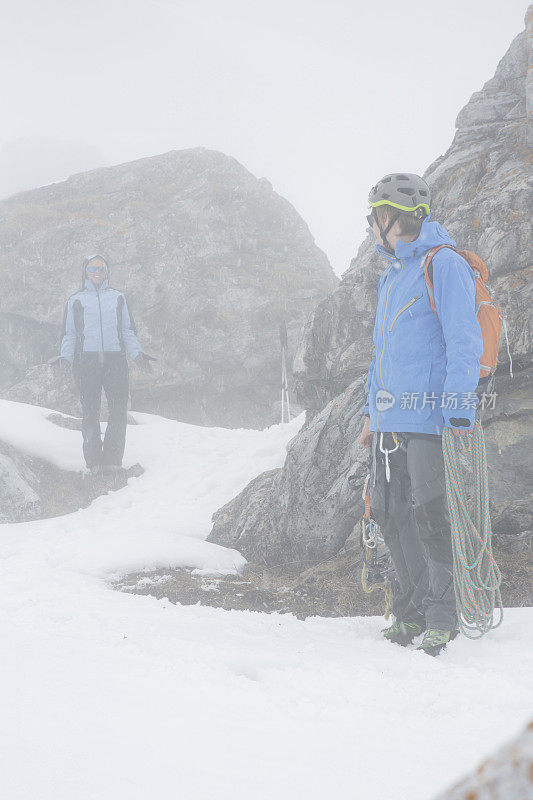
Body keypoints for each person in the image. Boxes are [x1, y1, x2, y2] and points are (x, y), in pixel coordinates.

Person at [359, 173, 483, 656]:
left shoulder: (443, 263)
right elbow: (380, 355)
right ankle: (409, 613)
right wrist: (372, 414)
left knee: (431, 515)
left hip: (430, 418)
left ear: (393, 217)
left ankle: (442, 616)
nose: (371, 225)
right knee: (390, 514)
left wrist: (457, 409)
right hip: (390, 419)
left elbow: (463, 339)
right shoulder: (392, 274)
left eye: (374, 216)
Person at [58, 254, 155, 472]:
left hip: (115, 360)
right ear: (85, 271)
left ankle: (112, 460)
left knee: (118, 410)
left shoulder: (119, 298)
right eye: (93, 269)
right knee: (90, 411)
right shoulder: (76, 299)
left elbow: (127, 331)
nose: (97, 273)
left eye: (101, 269)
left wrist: (137, 354)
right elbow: (69, 334)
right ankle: (93, 462)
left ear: (107, 271)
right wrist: (66, 358)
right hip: (87, 361)